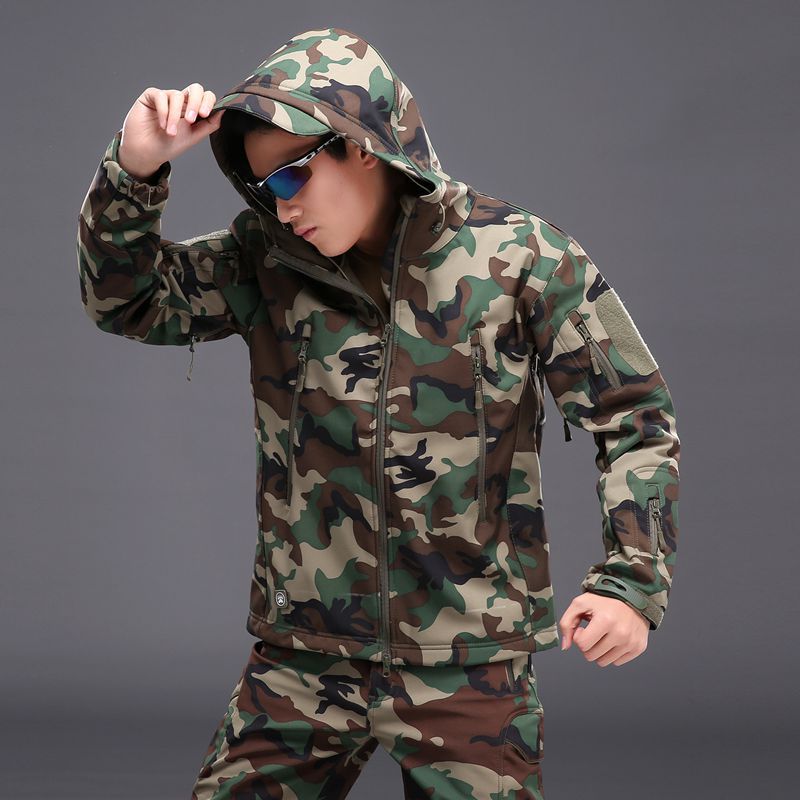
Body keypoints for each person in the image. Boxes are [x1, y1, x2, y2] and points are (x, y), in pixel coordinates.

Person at [76, 26, 680, 800]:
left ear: (362, 147)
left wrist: (631, 583)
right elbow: (125, 300)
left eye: (291, 177)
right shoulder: (264, 259)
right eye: (263, 188)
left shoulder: (522, 257)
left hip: (468, 666)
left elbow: (635, 416)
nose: (281, 206)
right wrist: (134, 170)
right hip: (302, 660)